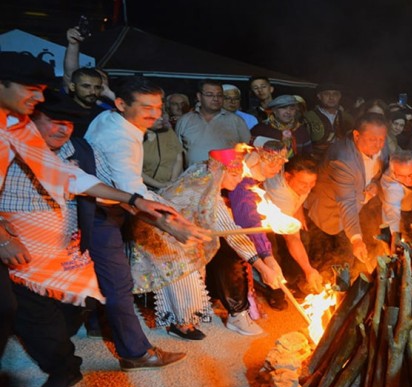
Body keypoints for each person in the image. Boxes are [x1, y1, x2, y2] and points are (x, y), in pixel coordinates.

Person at [0, 54, 188, 387]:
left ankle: (65, 365)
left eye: (69, 122)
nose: (61, 127)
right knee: (15, 307)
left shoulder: (42, 137)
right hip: (18, 249)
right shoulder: (15, 130)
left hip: (71, 245)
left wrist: (136, 201)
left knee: (74, 301)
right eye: (33, 92)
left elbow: (69, 177)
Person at [85, 76, 209, 371]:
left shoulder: (111, 116)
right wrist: (171, 224)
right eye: (146, 107)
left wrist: (172, 213)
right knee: (118, 284)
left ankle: (94, 323)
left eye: (158, 106)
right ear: (121, 104)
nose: (155, 113)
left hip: (98, 205)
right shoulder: (122, 139)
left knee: (95, 274)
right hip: (98, 212)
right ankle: (136, 353)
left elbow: (134, 191)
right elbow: (134, 194)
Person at [130, 146, 276, 338]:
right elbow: (232, 234)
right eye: (234, 175)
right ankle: (181, 324)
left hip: (177, 231)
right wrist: (263, 268)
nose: (239, 179)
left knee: (196, 269)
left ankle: (184, 319)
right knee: (183, 277)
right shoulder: (208, 189)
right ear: (222, 171)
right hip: (160, 230)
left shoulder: (204, 172)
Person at [305, 112, 389, 276]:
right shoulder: (343, 160)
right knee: (324, 261)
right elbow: (346, 202)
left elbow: (382, 171)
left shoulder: (382, 146)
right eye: (372, 139)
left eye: (381, 139)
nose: (378, 144)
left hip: (358, 204)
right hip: (328, 213)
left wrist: (375, 184)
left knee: (351, 261)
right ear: (356, 135)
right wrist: (356, 240)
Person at [218, 140, 290, 313]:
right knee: (234, 253)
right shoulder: (242, 181)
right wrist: (266, 258)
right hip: (217, 225)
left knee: (267, 240)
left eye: (280, 163)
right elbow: (248, 222)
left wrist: (268, 258)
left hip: (233, 223)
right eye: (272, 162)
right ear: (258, 158)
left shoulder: (258, 177)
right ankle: (237, 308)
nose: (276, 168)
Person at [263, 155, 322, 294]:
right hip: (260, 222)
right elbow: (292, 238)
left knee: (305, 236)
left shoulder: (297, 184)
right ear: (288, 177)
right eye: (303, 183)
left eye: (312, 182)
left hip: (285, 212)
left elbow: (297, 196)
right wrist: (308, 269)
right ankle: (275, 291)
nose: (308, 188)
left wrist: (298, 210)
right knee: (271, 251)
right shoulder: (281, 195)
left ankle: (295, 280)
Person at [176, 79, 251, 166]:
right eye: (209, 95)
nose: (215, 99)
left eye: (219, 95)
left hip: (227, 177)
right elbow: (177, 155)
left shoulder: (236, 121)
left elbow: (248, 150)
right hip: (192, 178)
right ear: (199, 96)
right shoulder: (184, 121)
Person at [304, 83, 355, 161]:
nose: (331, 97)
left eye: (335, 94)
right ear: (319, 96)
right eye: (327, 94)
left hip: (342, 161)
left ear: (340, 96)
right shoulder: (308, 117)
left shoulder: (347, 118)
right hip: (315, 162)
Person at [380, 149, 412, 236]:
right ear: (394, 173)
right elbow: (392, 214)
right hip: (402, 208)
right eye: (402, 176)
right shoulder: (390, 185)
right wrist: (394, 238)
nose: (408, 180)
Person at [141, 111, 183, 191]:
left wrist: (172, 181)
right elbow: (137, 171)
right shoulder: (136, 137)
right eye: (155, 117)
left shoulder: (168, 132)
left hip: (171, 186)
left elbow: (179, 159)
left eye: (161, 116)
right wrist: (160, 185)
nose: (160, 119)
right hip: (147, 189)